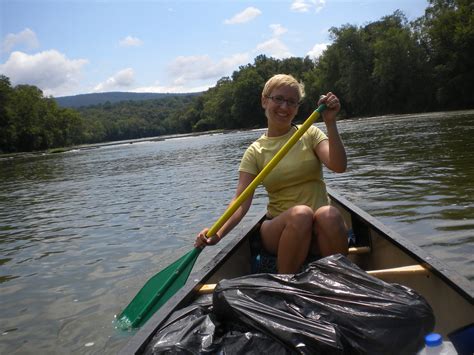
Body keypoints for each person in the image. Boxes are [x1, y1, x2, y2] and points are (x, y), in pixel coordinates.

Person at [194, 74, 348, 274]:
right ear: (264, 101)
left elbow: (338, 166)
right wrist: (218, 233)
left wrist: (330, 122)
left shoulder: (309, 134)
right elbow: (241, 201)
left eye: (292, 102)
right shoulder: (255, 151)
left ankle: (342, 281)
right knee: (301, 214)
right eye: (278, 99)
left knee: (330, 214)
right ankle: (284, 285)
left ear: (297, 108)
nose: (284, 107)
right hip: (279, 229)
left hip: (320, 229)